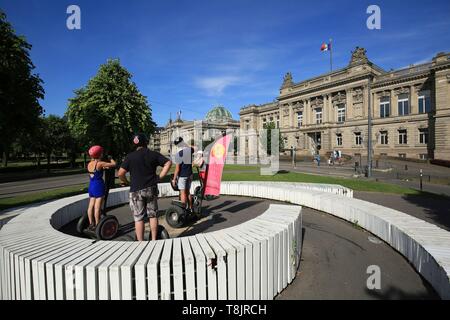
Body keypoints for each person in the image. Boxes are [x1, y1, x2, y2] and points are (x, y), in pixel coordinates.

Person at [118, 133, 172, 241]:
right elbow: (168, 163)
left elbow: (120, 173)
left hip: (136, 191)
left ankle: (141, 243)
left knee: (139, 218)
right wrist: (160, 177)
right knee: (153, 215)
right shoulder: (153, 154)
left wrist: (126, 182)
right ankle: (153, 240)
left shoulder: (130, 157)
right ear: (146, 142)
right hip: (151, 188)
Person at [86, 145, 116, 230]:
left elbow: (97, 170)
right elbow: (114, 164)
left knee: (91, 206)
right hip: (98, 186)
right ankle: (98, 225)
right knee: (97, 207)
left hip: (91, 186)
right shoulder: (100, 163)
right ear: (100, 154)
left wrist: (104, 167)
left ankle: (91, 223)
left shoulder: (89, 164)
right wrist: (110, 158)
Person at [172, 137, 195, 212]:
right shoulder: (190, 150)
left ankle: (183, 211)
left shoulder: (178, 154)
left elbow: (177, 169)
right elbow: (192, 148)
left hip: (183, 176)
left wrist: (174, 179)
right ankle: (191, 208)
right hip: (190, 174)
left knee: (183, 193)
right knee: (188, 192)